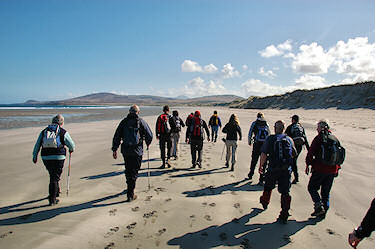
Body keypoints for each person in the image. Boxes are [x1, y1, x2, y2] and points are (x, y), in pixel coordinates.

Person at [259, 120, 297, 224]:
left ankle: (265, 202)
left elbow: (263, 154)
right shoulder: (289, 139)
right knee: (285, 192)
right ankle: (284, 213)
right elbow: (294, 154)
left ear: (275, 128)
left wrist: (261, 166)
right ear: (284, 128)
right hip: (285, 170)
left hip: (273, 168)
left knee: (268, 187)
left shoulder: (271, 138)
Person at [112, 105, 153, 202]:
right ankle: (130, 193)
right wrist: (147, 143)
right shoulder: (141, 121)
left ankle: (129, 188)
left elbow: (117, 136)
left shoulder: (124, 122)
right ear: (138, 112)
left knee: (128, 169)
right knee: (134, 171)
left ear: (129, 112)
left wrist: (115, 149)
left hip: (126, 150)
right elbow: (149, 135)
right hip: (137, 151)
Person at [32, 114, 75, 206]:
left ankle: (56, 191)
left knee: (53, 174)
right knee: (54, 177)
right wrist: (71, 149)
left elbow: (38, 144)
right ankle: (52, 198)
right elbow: (71, 144)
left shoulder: (44, 131)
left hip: (45, 157)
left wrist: (34, 155)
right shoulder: (63, 132)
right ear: (61, 123)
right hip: (58, 156)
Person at [305, 119, 342, 218]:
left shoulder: (319, 138)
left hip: (320, 168)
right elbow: (339, 155)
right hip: (332, 169)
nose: (317, 129)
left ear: (321, 128)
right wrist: (337, 168)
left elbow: (310, 153)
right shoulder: (335, 139)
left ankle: (318, 207)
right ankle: (324, 210)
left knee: (312, 187)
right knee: (326, 192)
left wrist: (309, 164)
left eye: (318, 127)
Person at [285, 115, 310, 184]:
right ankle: (294, 177)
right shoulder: (301, 127)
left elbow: (285, 137)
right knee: (294, 160)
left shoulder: (290, 127)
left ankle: (295, 177)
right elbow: (305, 138)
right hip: (300, 147)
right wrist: (309, 149)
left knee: (292, 161)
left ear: (293, 120)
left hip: (293, 146)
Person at [248, 112, 271, 182]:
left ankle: (251, 173)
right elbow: (269, 133)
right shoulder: (266, 123)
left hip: (257, 144)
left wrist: (249, 141)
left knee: (254, 159)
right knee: (263, 161)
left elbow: (250, 132)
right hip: (264, 145)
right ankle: (261, 177)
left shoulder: (255, 123)